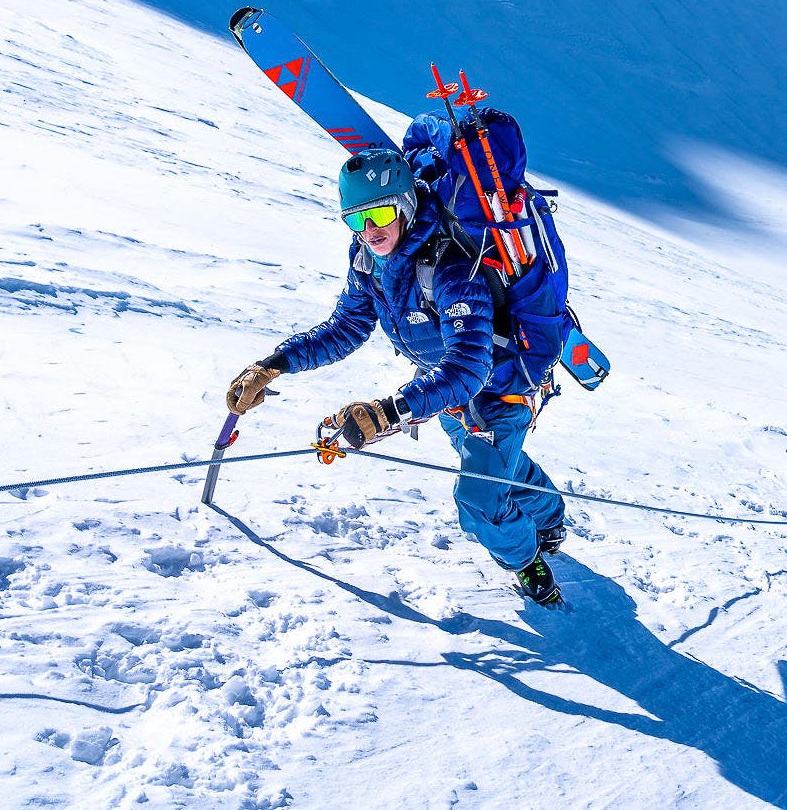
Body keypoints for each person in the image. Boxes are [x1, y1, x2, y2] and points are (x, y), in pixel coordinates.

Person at [224, 146, 568, 605]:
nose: (370, 230)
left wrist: (390, 411)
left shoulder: (450, 266)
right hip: (441, 390)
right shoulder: (370, 262)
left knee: (479, 499)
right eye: (356, 220)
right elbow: (346, 327)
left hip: (500, 390)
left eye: (382, 213)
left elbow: (470, 364)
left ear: (405, 204)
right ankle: (550, 517)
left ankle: (528, 563)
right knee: (495, 466)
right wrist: (272, 365)